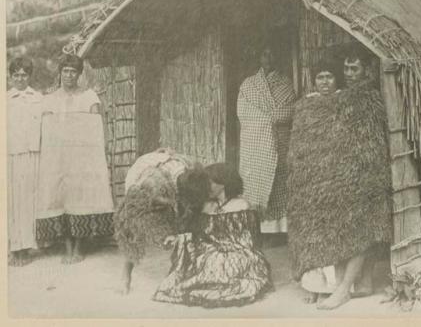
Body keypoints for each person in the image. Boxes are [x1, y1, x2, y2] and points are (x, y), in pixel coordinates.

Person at [287, 47, 392, 310]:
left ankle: (345, 289)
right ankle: (327, 285)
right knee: (329, 228)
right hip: (326, 182)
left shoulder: (361, 100)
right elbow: (303, 145)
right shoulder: (310, 105)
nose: (349, 74)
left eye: (353, 69)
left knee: (358, 228)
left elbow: (369, 141)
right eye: (346, 69)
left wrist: (355, 173)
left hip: (360, 177)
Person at [153, 163, 273, 308]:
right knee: (206, 258)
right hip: (210, 250)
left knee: (227, 261)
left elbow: (250, 241)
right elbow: (197, 234)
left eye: (209, 182)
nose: (205, 186)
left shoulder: (242, 205)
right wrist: (178, 238)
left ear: (222, 183)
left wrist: (227, 249)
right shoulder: (205, 205)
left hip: (238, 251)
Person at [36, 54, 115, 264]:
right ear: (60, 73)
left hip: (82, 158)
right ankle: (67, 247)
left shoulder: (89, 97)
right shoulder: (50, 100)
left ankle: (79, 247)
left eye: (73, 71)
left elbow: (97, 129)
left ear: (79, 74)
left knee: (81, 198)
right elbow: (46, 132)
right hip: (58, 158)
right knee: (61, 197)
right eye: (65, 71)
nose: (69, 75)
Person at [114, 148, 211, 294]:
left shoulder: (194, 175)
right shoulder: (151, 183)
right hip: (144, 182)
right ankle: (125, 275)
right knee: (133, 230)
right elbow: (131, 211)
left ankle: (186, 271)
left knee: (188, 226)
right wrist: (167, 205)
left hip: (170, 176)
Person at [237, 46, 296, 239]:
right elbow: (244, 114)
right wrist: (269, 119)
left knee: (279, 184)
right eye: (264, 53)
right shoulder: (248, 85)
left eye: (272, 53)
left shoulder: (286, 83)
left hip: (280, 143)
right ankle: (258, 230)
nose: (268, 57)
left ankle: (279, 232)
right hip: (256, 145)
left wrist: (266, 118)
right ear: (259, 57)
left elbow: (289, 111)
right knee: (255, 182)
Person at [7, 58, 42, 266]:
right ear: (10, 76)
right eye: (16, 75)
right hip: (10, 155)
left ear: (29, 76)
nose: (20, 79)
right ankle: (14, 246)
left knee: (28, 201)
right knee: (12, 201)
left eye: (24, 75)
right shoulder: (5, 99)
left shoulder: (38, 98)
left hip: (31, 154)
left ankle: (27, 245)